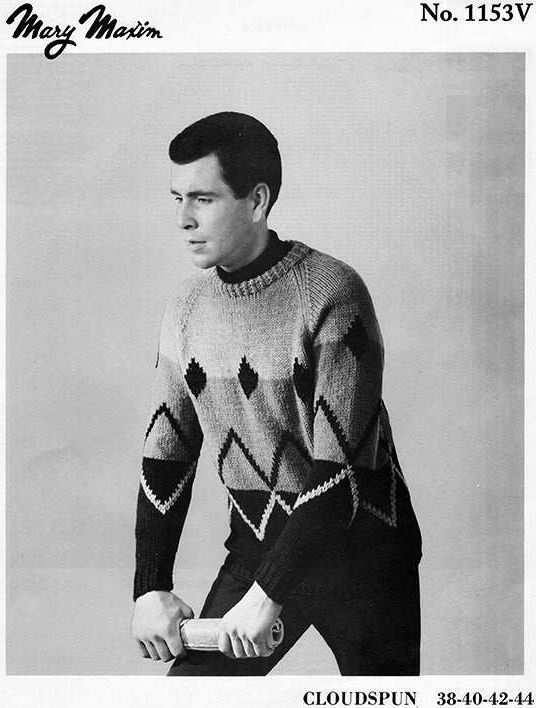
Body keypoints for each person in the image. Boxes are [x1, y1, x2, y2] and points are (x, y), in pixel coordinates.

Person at [131, 111, 422, 676]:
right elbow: (165, 457)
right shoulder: (186, 309)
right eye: (177, 198)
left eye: (203, 199)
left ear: (257, 200)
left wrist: (268, 593)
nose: (183, 219)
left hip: (363, 556)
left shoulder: (332, 292)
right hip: (261, 545)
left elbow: (340, 471)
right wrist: (150, 586)